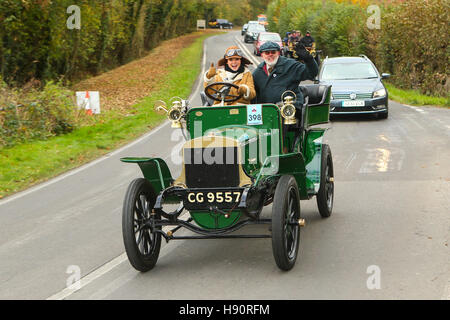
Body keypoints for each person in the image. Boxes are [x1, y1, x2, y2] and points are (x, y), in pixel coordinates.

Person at [252, 41, 318, 109]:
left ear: (278, 53)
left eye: (273, 52)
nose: (270, 54)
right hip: (268, 112)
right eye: (267, 53)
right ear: (262, 55)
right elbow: (253, 94)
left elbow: (311, 73)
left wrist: (309, 59)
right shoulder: (258, 73)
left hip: (290, 110)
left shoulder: (290, 65)